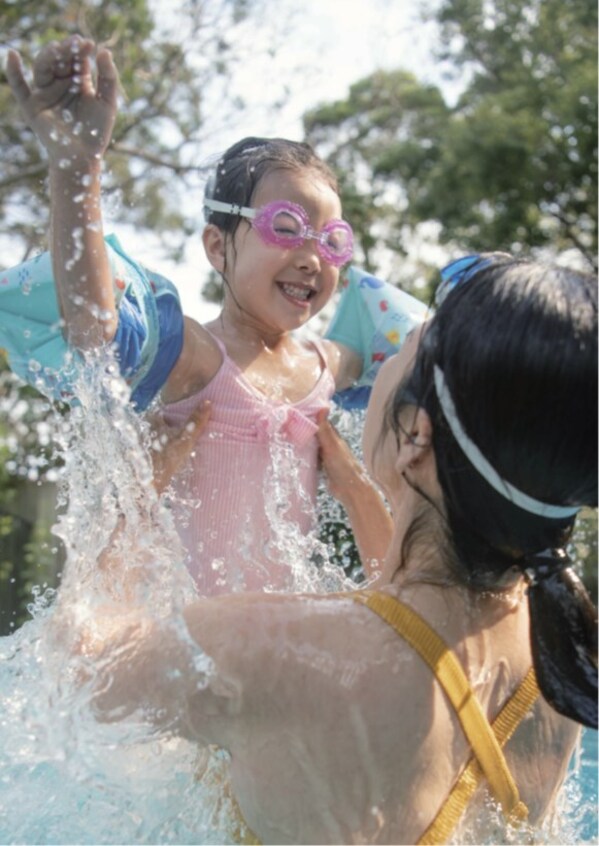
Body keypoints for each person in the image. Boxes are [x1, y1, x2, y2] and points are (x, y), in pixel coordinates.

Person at [51, 253, 597, 844]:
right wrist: (361, 494)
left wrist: (134, 495)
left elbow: (78, 670)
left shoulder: (274, 650)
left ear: (416, 433)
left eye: (403, 350)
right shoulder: (560, 660)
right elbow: (418, 636)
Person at [6, 35, 418, 594]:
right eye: (287, 228)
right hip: (189, 632)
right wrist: (77, 172)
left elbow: (418, 357)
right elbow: (96, 331)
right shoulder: (200, 357)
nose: (312, 258)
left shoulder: (327, 366)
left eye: (331, 241)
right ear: (218, 247)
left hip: (283, 633)